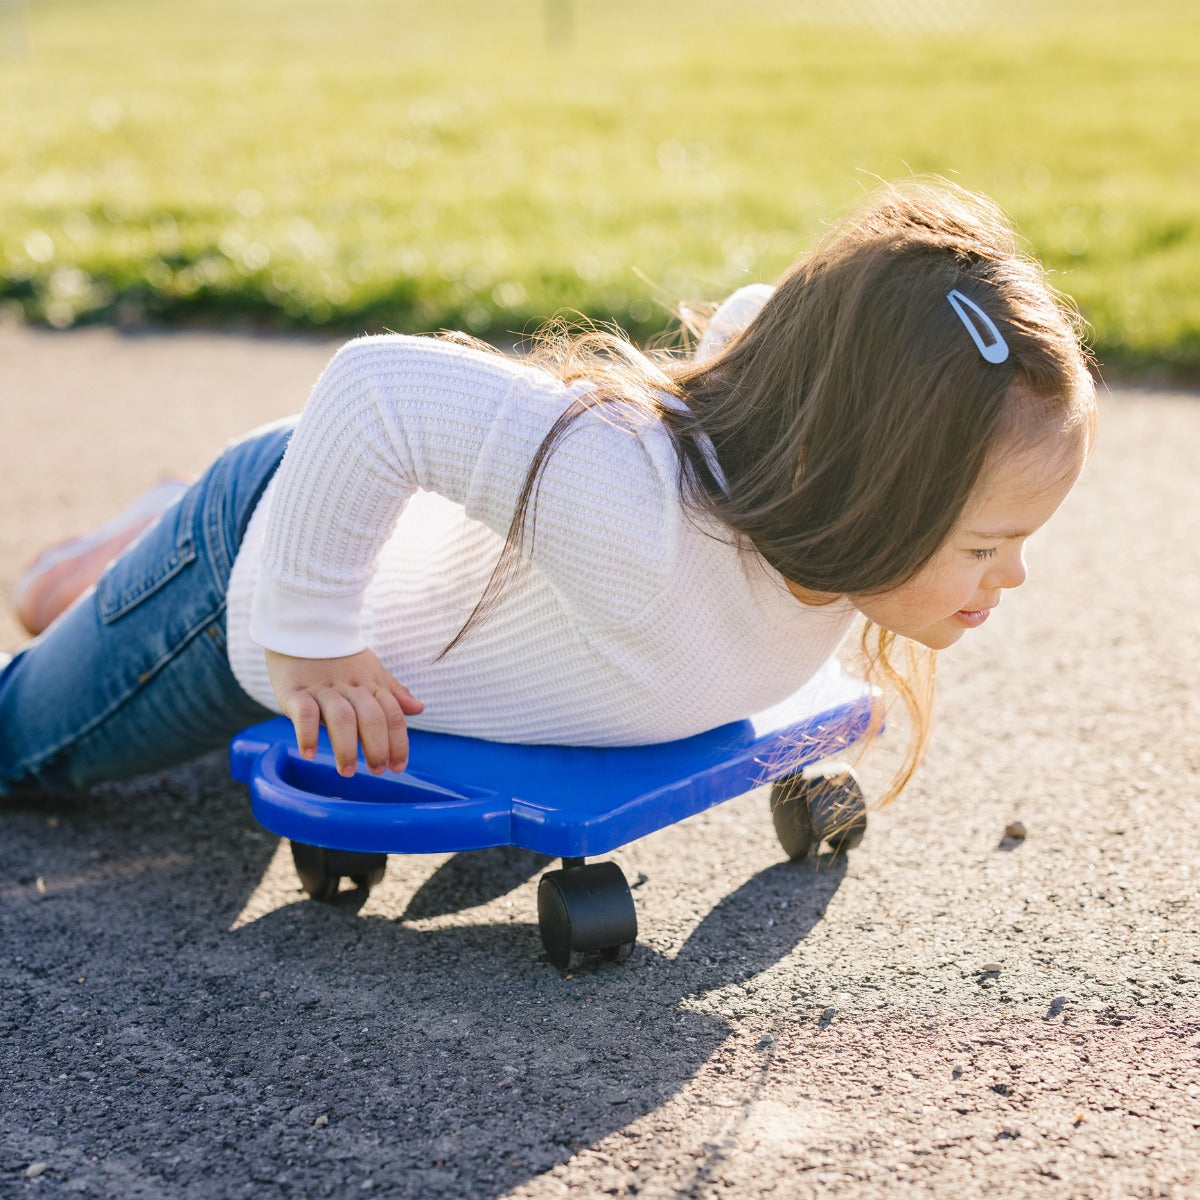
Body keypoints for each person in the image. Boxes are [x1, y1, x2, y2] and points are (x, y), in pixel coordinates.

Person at [0, 179, 1096, 804]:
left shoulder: (804, 459)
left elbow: (765, 322)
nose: (1016, 575)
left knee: (68, 609)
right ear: (845, 477)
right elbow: (377, 390)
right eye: (984, 543)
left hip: (369, 512)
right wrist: (312, 634)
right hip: (255, 562)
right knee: (24, 749)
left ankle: (132, 537)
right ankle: (164, 532)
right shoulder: (641, 523)